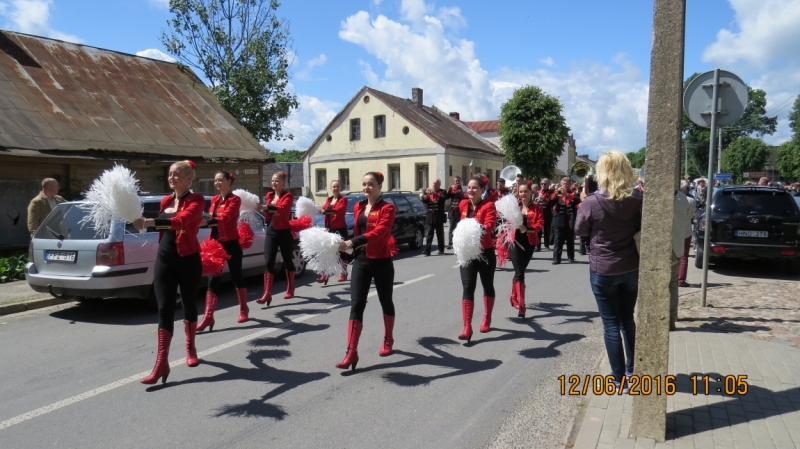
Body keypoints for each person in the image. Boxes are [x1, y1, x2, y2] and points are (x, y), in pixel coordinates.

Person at [574, 150, 642, 391]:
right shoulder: (637, 200)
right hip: (631, 266)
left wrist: (584, 200)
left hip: (603, 269)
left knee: (611, 324)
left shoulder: (593, 201)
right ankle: (634, 370)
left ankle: (618, 378)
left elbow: (580, 230)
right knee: (627, 320)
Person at [134, 160, 205, 384]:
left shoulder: (196, 200)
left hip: (188, 259)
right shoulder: (166, 200)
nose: (171, 178)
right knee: (164, 308)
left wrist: (150, 221)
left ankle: (190, 348)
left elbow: (180, 221)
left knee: (188, 304)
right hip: (165, 258)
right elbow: (164, 226)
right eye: (170, 174)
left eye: (176, 174)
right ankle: (161, 363)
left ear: (188, 179)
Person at [334, 172, 397, 370]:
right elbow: (357, 232)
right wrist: (346, 249)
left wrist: (354, 241)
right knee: (356, 304)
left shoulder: (388, 207)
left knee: (385, 301)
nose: (366, 188)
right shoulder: (359, 206)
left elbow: (381, 232)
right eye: (364, 184)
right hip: (361, 261)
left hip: (382, 261)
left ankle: (388, 339)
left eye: (371, 184)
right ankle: (351, 352)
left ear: (380, 186)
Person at [196, 171, 247, 332]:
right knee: (213, 279)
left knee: (236, 276)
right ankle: (208, 316)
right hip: (216, 244)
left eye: (220, 180)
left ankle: (243, 309)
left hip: (231, 243)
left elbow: (226, 217)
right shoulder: (215, 199)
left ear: (228, 181)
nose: (217, 183)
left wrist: (208, 221)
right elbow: (210, 217)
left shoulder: (235, 199)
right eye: (215, 180)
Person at [457, 176, 498, 343]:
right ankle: (467, 327)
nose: (471, 191)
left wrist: (475, 230)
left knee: (487, 285)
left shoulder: (489, 205)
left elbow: (489, 226)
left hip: (485, 252)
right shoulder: (463, 204)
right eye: (469, 187)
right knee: (468, 287)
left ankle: (487, 318)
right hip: (467, 254)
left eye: (475, 188)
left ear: (482, 190)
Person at [256, 171, 296, 306]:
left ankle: (290, 288)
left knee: (287, 260)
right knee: (268, 262)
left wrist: (266, 207)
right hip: (271, 232)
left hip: (284, 232)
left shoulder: (288, 196)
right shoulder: (269, 196)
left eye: (277, 181)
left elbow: (282, 209)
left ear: (284, 183)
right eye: (272, 181)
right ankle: (267, 293)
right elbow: (267, 210)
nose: (274, 183)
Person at [507, 182, 543, 318]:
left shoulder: (537, 208)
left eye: (525, 192)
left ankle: (513, 295)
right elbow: (506, 221)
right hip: (515, 242)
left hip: (529, 242)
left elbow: (540, 224)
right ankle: (521, 305)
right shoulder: (514, 207)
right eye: (520, 192)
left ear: (530, 193)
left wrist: (528, 229)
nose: (523, 194)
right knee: (520, 272)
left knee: (520, 271)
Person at [318, 180, 349, 284]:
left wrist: (325, 211)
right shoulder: (329, 199)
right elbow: (323, 209)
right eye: (333, 187)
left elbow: (339, 210)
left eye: (337, 187)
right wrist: (321, 210)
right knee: (327, 251)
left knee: (342, 251)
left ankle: (343, 273)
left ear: (340, 188)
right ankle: (325, 274)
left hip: (340, 228)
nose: (335, 188)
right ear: (330, 188)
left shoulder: (343, 199)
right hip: (329, 229)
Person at [548, 177, 580, 264]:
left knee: (570, 240)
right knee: (558, 240)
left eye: (567, 184)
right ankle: (556, 258)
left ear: (570, 184)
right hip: (558, 219)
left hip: (569, 219)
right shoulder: (557, 193)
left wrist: (567, 195)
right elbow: (550, 202)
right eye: (563, 184)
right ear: (561, 184)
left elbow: (577, 201)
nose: (565, 185)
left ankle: (571, 257)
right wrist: (556, 193)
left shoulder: (574, 193)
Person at [676, 182, 696, 289]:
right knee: (684, 256)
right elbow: (691, 215)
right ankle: (681, 279)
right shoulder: (691, 201)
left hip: (675, 230)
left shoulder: (674, 199)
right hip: (686, 230)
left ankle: (673, 278)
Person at [422, 178, 447, 256]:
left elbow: (443, 198)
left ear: (439, 184)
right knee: (429, 234)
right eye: (433, 183)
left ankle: (441, 249)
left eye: (435, 183)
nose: (433, 185)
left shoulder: (443, 192)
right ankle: (427, 250)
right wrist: (425, 196)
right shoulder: (430, 192)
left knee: (440, 234)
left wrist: (435, 194)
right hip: (430, 217)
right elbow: (424, 201)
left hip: (438, 217)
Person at [579, 175, 599, 255]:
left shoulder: (596, 195)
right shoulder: (579, 193)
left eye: (585, 186)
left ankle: (588, 247)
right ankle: (583, 248)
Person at [446, 176, 464, 250]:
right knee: (451, 228)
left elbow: (464, 197)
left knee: (459, 228)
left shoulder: (463, 189)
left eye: (458, 181)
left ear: (460, 181)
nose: (457, 182)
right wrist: (449, 191)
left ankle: (459, 243)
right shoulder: (452, 188)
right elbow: (446, 197)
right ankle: (450, 243)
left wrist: (460, 192)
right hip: (452, 212)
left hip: (460, 212)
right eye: (456, 181)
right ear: (454, 181)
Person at [537, 178, 554, 252]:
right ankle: (538, 246)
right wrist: (536, 199)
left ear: (548, 185)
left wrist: (544, 198)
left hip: (547, 213)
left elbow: (551, 203)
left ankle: (546, 245)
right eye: (542, 184)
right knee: (538, 230)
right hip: (538, 214)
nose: (543, 185)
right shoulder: (537, 192)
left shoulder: (551, 192)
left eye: (545, 184)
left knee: (547, 230)